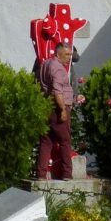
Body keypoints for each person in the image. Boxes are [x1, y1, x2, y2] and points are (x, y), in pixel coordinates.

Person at [35, 41, 74, 180]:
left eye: (70, 54)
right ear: (58, 53)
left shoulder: (46, 64)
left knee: (46, 141)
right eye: (67, 54)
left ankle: (40, 174)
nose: (69, 57)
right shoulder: (57, 68)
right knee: (65, 140)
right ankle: (67, 174)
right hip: (57, 108)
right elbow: (57, 91)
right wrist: (63, 109)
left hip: (47, 106)